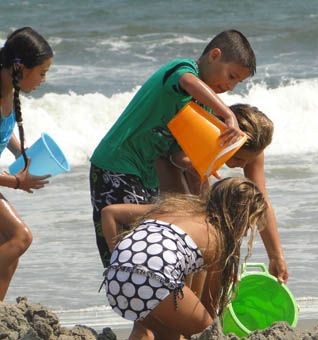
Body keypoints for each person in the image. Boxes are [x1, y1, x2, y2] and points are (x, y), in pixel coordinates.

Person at [89, 29, 255, 339]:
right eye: (230, 76)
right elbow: (188, 82)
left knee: (150, 281)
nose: (229, 86)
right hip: (115, 164)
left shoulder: (199, 106)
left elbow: (177, 154)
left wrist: (202, 163)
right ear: (214, 55)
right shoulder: (182, 71)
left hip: (143, 173)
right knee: (133, 260)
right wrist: (227, 115)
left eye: (237, 83)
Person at [100, 177, 267, 339]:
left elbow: (109, 212)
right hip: (153, 281)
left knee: (170, 334)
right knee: (209, 335)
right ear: (241, 216)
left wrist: (123, 261)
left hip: (115, 279)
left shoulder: (175, 209)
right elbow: (209, 303)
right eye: (249, 224)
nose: (245, 232)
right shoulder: (218, 237)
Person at [157, 103, 288, 283]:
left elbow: (261, 199)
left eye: (248, 160)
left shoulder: (251, 146)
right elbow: (198, 205)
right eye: (238, 158)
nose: (243, 165)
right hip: (147, 172)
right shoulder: (200, 138)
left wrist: (276, 256)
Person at [0, 27, 53, 300]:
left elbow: (3, 131)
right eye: (42, 72)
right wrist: (17, 181)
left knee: (10, 247)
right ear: (20, 66)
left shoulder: (8, 89)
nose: (44, 79)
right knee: (20, 237)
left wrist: (23, 155)